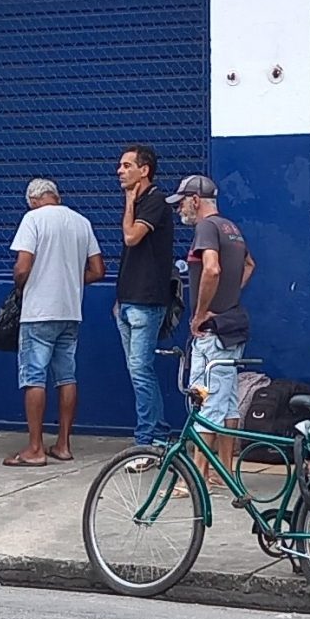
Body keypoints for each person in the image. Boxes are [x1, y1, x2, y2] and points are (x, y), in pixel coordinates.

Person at [8, 177, 104, 467]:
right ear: (56, 196)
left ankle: (35, 448)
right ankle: (63, 444)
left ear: (34, 200)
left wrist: (21, 284)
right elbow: (98, 270)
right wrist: (72, 280)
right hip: (70, 310)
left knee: (34, 377)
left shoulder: (32, 219)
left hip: (38, 311)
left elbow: (23, 266)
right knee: (67, 376)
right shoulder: (81, 222)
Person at [174, 175, 254, 477]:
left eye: (182, 201)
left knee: (206, 400)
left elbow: (211, 268)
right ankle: (226, 471)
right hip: (231, 325)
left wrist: (201, 312)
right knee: (229, 400)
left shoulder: (206, 228)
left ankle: (198, 476)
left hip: (212, 331)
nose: (180, 208)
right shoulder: (231, 228)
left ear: (196, 199)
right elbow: (249, 265)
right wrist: (230, 293)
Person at [112, 144, 176, 453]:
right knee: (138, 371)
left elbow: (131, 237)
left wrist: (128, 203)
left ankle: (148, 441)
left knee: (141, 371)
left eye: (126, 166)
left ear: (144, 170)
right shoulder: (141, 203)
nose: (120, 171)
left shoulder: (155, 202)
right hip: (126, 302)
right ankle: (158, 433)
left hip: (146, 302)